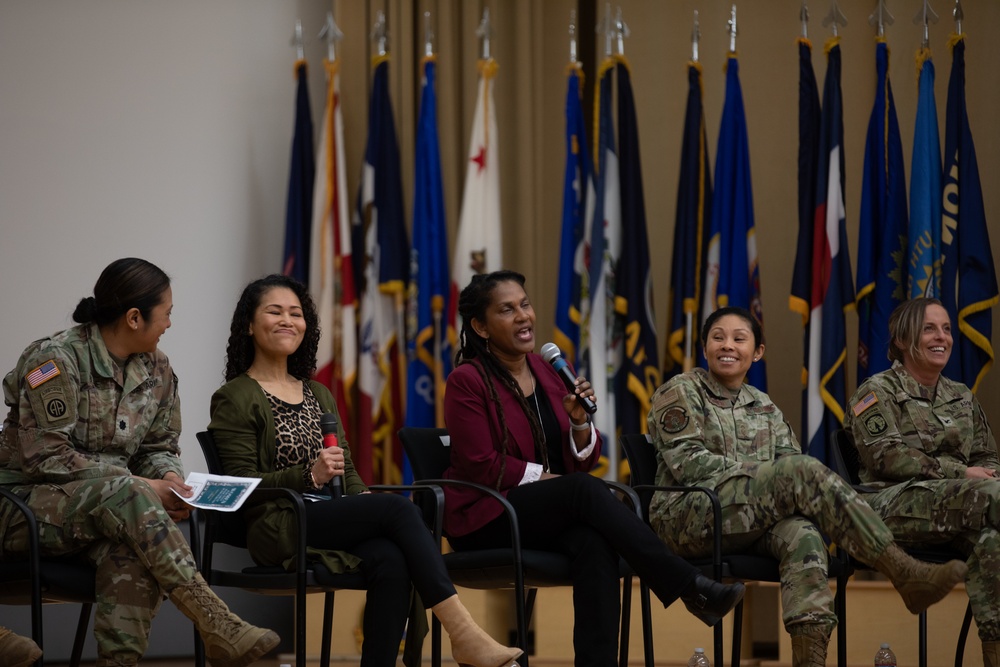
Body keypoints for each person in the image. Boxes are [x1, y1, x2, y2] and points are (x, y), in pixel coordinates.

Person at [208, 274, 521, 667]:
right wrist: (308, 476)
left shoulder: (316, 392)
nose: (288, 320)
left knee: (390, 557)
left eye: (296, 313)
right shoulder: (235, 396)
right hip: (279, 522)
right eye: (275, 311)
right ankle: (463, 632)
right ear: (250, 325)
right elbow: (240, 487)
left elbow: (347, 469)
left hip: (328, 514)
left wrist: (361, 498)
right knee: (399, 510)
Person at [442, 270, 745, 667]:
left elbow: (583, 459)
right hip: (488, 517)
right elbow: (482, 465)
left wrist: (580, 423)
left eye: (525, 305)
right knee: (583, 490)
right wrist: (551, 480)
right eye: (507, 310)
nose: (523, 316)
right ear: (480, 326)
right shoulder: (467, 381)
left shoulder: (548, 371)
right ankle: (688, 585)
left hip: (540, 514)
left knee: (594, 541)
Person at [647, 305, 969, 667]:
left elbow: (789, 464)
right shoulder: (680, 390)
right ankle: (901, 569)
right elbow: (690, 466)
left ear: (758, 352)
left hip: (750, 519)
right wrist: (764, 477)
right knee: (797, 474)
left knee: (805, 536)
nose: (728, 346)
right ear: (704, 347)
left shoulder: (764, 406)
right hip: (689, 516)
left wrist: (771, 482)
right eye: (718, 338)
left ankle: (810, 659)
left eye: (740, 339)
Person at [0, 258, 279, 667]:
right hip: (22, 506)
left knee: (132, 553)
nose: (169, 323)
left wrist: (168, 478)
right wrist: (144, 488)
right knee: (129, 493)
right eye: (166, 313)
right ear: (134, 317)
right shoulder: (54, 361)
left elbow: (158, 446)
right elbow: (47, 457)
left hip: (107, 511)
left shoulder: (158, 370)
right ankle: (217, 622)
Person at [844, 297, 1000, 666]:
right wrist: (960, 473)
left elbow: (987, 457)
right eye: (929, 328)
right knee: (991, 495)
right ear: (901, 338)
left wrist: (982, 473)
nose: (941, 337)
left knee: (993, 541)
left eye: (946, 329)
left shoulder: (960, 395)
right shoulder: (875, 391)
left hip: (963, 506)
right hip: (889, 506)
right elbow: (886, 456)